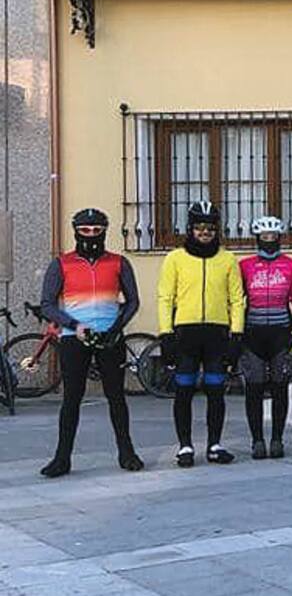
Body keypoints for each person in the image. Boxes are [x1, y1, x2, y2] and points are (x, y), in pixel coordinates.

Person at [39, 208, 143, 478]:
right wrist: (74, 325)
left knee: (116, 397)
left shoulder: (119, 263)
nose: (91, 236)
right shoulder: (61, 264)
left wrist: (117, 328)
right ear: (76, 231)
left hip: (111, 337)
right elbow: (47, 305)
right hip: (75, 338)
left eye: (97, 231)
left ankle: (127, 452)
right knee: (72, 399)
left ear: (105, 231)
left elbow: (133, 300)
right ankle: (62, 459)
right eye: (85, 231)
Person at [157, 201, 245, 467]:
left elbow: (237, 299)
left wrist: (237, 334)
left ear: (216, 230)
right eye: (199, 228)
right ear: (190, 229)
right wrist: (166, 334)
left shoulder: (227, 259)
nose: (204, 233)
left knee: (216, 390)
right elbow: (165, 298)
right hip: (186, 332)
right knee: (184, 390)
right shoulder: (175, 258)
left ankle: (214, 445)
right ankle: (185, 446)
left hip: (217, 333)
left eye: (209, 228)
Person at [238, 216, 292, 460]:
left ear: (279, 238)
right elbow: (236, 300)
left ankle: (277, 439)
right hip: (253, 334)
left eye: (273, 237)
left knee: (280, 387)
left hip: (280, 333)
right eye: (264, 237)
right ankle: (257, 440)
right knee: (253, 388)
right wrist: (236, 334)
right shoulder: (244, 265)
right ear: (257, 239)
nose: (269, 241)